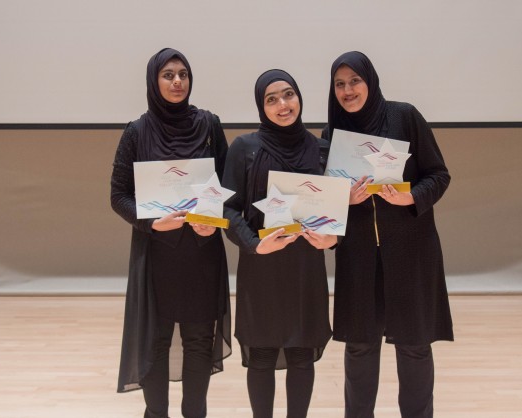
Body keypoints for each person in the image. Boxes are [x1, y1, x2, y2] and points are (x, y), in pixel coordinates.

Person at [322, 51, 454, 418]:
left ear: (370, 81)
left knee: (414, 345)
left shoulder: (404, 117)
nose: (348, 90)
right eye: (339, 84)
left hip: (411, 251)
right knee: (359, 346)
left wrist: (411, 196)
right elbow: (326, 199)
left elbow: (439, 175)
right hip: (358, 255)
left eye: (355, 81)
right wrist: (344, 198)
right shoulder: (333, 133)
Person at [111, 48, 231, 418]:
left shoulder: (209, 125)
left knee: (198, 341)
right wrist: (150, 222)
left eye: (183, 74)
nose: (177, 81)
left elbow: (228, 185)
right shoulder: (136, 131)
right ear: (154, 81)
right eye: (168, 75)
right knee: (156, 341)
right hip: (156, 253)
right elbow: (118, 196)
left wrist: (212, 220)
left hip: (201, 252)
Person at [222, 69, 334, 418]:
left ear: (299, 97)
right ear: (261, 106)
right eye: (272, 99)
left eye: (288, 94)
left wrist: (333, 238)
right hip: (261, 266)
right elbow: (227, 208)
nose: (283, 104)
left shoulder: (321, 149)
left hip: (306, 268)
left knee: (302, 354)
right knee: (261, 354)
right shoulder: (244, 148)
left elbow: (337, 209)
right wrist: (254, 244)